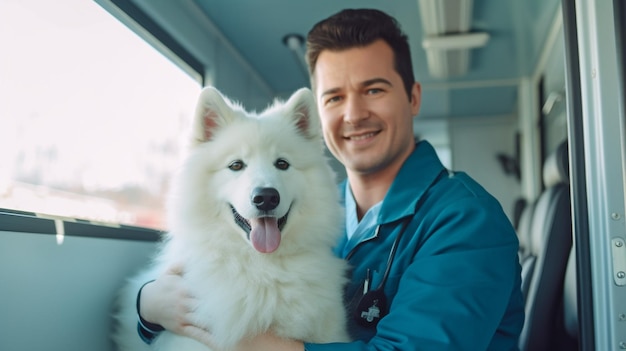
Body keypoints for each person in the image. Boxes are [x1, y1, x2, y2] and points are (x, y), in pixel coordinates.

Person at [137, 8, 525, 351]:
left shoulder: (466, 221)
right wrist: (150, 306)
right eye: (334, 98)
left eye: (373, 89)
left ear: (413, 97)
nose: (354, 114)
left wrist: (235, 336)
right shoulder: (318, 212)